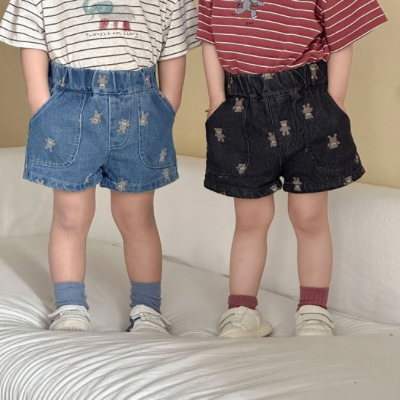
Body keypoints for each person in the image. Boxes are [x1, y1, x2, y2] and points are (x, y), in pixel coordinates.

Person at [0, 0, 199, 333]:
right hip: (69, 104)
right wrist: (44, 108)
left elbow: (174, 49)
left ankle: (147, 308)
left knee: (137, 217)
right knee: (71, 215)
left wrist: (166, 107)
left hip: (141, 108)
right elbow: (32, 40)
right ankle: (70, 306)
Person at [197, 0, 387, 337]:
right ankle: (242, 310)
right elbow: (209, 39)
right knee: (250, 218)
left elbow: (342, 36)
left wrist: (335, 102)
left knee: (309, 215)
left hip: (308, 100)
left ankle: (313, 310)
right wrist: (215, 101)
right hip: (241, 105)